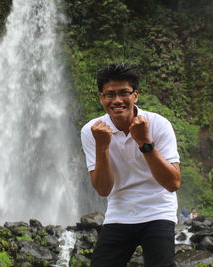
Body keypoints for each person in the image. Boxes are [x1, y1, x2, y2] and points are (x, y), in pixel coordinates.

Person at [80, 63, 181, 267]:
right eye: (109, 94)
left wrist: (145, 142)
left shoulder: (158, 124)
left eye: (123, 93)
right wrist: (102, 147)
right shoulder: (92, 131)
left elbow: (173, 183)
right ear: (101, 98)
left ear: (136, 95)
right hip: (119, 211)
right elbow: (103, 189)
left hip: (158, 209)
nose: (116, 100)